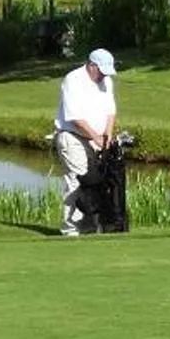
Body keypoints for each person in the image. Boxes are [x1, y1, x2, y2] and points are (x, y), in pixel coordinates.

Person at [54, 47, 117, 237]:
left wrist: (107, 136)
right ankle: (71, 229)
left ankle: (88, 226)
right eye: (101, 71)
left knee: (96, 182)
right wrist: (96, 137)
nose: (103, 76)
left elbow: (110, 111)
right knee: (77, 180)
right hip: (72, 136)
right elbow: (75, 118)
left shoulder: (106, 81)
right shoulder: (73, 80)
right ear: (91, 66)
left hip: (95, 139)